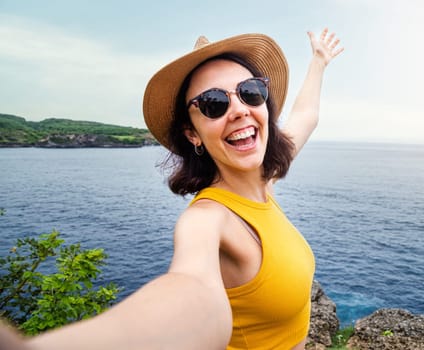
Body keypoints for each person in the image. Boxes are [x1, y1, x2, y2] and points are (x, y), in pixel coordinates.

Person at [1, 28, 343, 350]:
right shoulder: (209, 219)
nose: (239, 109)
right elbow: (191, 291)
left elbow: (305, 115)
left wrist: (318, 61)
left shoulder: (263, 181)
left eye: (250, 92)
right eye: (213, 104)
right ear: (192, 133)